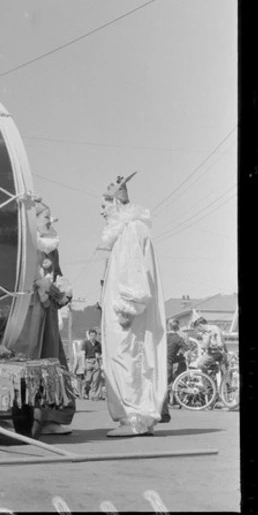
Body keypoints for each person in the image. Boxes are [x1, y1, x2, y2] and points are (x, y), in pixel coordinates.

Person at [97, 172, 167, 437]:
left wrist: (128, 308)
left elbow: (134, 272)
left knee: (128, 360)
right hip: (126, 313)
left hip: (127, 316)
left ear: (115, 205)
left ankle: (134, 418)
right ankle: (139, 417)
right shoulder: (130, 230)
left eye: (104, 207)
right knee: (132, 360)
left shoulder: (129, 230)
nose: (102, 213)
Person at [12, 198, 75, 434]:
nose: (50, 221)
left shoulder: (52, 246)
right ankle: (24, 416)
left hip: (46, 312)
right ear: (33, 221)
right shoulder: (25, 244)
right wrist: (40, 284)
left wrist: (62, 292)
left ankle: (52, 417)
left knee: (52, 357)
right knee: (27, 358)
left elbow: (56, 276)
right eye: (45, 217)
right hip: (27, 311)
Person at [82, 328, 103, 399]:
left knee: (95, 379)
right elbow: (83, 354)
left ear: (96, 336)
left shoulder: (98, 344)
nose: (93, 337)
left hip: (96, 361)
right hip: (88, 361)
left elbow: (101, 354)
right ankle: (84, 392)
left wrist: (99, 356)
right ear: (89, 336)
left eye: (94, 335)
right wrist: (83, 364)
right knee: (88, 379)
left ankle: (92, 395)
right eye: (91, 335)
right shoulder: (86, 343)